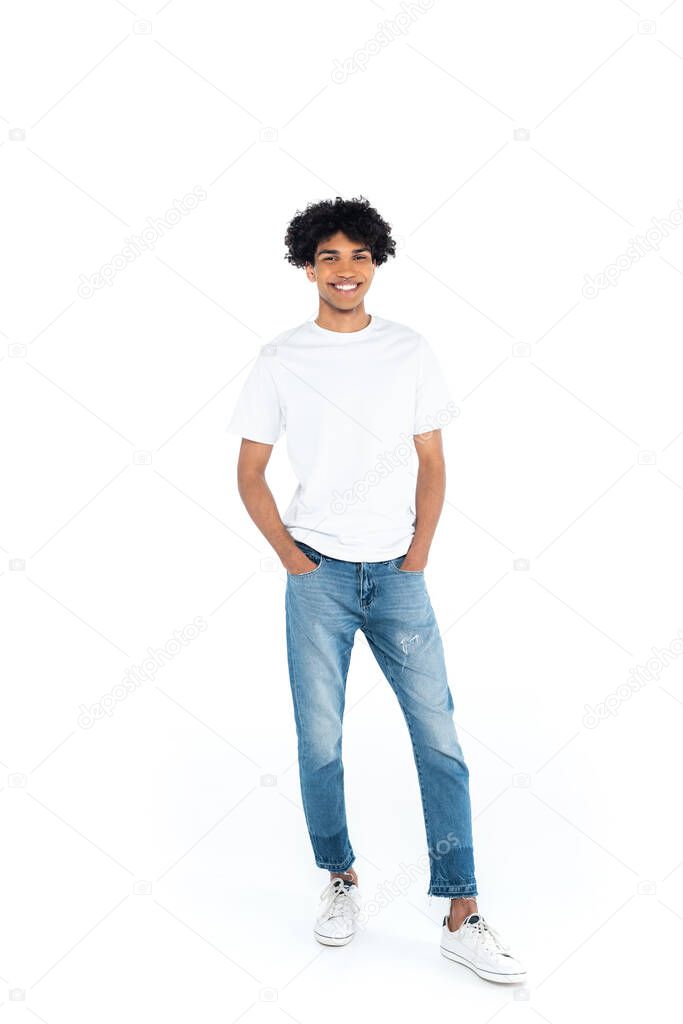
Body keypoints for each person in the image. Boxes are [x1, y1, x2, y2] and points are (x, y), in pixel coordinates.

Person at [226, 196, 526, 984]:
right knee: (319, 743)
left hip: (398, 576)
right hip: (316, 575)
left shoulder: (409, 350)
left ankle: (461, 911)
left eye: (358, 255)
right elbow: (249, 474)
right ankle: (339, 880)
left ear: (375, 262)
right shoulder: (280, 358)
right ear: (306, 266)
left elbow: (431, 460)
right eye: (328, 256)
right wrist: (296, 563)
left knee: (439, 742)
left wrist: (418, 555)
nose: (345, 270)